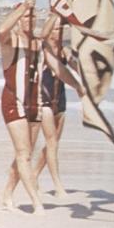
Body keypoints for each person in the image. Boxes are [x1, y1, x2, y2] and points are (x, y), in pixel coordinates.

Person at [0, 0, 82, 215]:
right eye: (26, 16)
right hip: (13, 101)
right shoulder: (11, 41)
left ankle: (7, 194)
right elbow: (1, 30)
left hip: (34, 104)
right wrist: (23, 6)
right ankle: (36, 201)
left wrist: (78, 86)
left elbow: (58, 69)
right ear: (18, 19)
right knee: (24, 153)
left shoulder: (39, 44)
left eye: (32, 16)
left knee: (25, 154)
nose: (29, 19)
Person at [33, 15, 77, 198]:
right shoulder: (42, 49)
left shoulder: (64, 50)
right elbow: (42, 35)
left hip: (60, 99)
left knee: (53, 144)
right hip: (43, 98)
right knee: (52, 143)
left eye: (61, 29)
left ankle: (34, 175)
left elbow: (76, 69)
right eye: (55, 28)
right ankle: (58, 185)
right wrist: (56, 13)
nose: (57, 32)